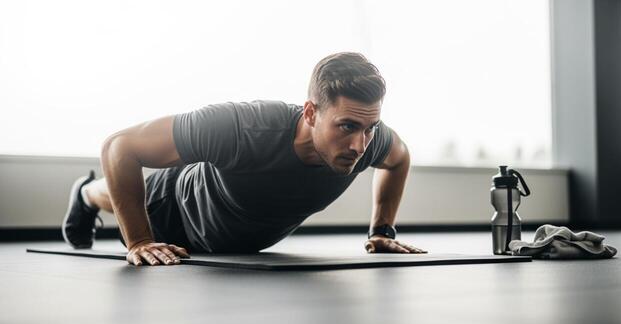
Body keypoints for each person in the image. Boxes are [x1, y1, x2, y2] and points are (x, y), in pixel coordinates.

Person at [62, 52, 426, 266]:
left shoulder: (368, 139)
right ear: (311, 113)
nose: (360, 145)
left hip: (236, 238)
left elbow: (399, 157)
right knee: (112, 191)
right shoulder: (242, 127)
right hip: (177, 208)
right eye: (346, 126)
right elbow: (119, 146)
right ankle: (84, 194)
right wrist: (139, 241)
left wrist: (381, 231)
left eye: (370, 128)